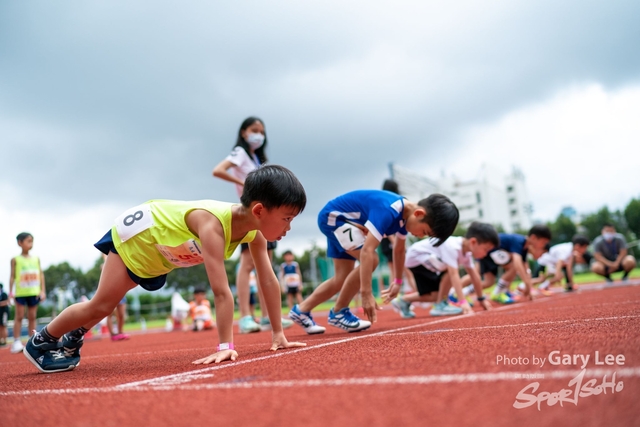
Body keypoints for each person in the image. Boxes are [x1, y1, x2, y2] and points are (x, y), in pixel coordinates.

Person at [23, 165, 307, 373]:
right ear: (259, 211)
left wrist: (278, 334)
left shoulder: (253, 232)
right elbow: (221, 292)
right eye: (286, 218)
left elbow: (268, 281)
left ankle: (74, 335)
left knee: (105, 306)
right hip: (138, 239)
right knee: (101, 305)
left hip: (160, 254)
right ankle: (41, 341)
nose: (288, 227)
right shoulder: (212, 227)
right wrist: (225, 347)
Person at [289, 190, 459, 334]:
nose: (421, 236)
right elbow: (367, 251)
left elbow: (399, 250)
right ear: (419, 214)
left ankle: (301, 310)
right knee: (372, 259)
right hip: (335, 219)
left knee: (341, 278)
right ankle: (339, 312)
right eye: (425, 232)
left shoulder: (405, 218)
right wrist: (366, 293)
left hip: (341, 220)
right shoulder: (389, 210)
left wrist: (398, 282)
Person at [212, 117, 292, 333]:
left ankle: (267, 317)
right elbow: (218, 170)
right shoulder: (239, 152)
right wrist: (244, 184)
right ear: (244, 132)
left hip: (266, 214)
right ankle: (246, 316)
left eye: (262, 131)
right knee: (247, 264)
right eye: (254, 130)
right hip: (250, 214)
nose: (259, 134)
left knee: (265, 266)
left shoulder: (258, 157)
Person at [387, 222, 498, 318]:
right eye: (486, 249)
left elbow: (475, 277)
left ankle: (404, 300)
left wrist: (481, 298)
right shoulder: (452, 247)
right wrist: (462, 302)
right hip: (417, 258)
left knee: (435, 295)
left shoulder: (467, 254)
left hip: (426, 259)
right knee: (450, 272)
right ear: (473, 242)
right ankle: (441, 304)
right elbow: (454, 275)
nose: (486, 254)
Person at [459, 225, 551, 304]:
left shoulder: (524, 248)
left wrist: (529, 286)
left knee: (488, 282)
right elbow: (518, 263)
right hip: (487, 251)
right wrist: (527, 284)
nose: (543, 246)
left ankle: (462, 292)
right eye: (543, 242)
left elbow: (525, 266)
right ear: (534, 238)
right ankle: (498, 292)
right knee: (514, 266)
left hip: (491, 253)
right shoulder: (519, 241)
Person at [9, 232, 46, 354]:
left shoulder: (36, 258)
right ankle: (16, 341)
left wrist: (42, 290)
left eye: (32, 241)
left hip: (34, 292)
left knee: (32, 317)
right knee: (19, 316)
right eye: (28, 241)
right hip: (20, 292)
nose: (31, 244)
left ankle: (32, 341)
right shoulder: (15, 259)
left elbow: (41, 274)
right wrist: (10, 292)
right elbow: (12, 276)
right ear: (20, 243)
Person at [379, 179, 417, 293]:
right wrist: (396, 243)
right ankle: (417, 294)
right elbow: (387, 226)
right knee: (405, 270)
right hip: (391, 239)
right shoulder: (394, 202)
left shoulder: (384, 201)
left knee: (395, 270)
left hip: (386, 240)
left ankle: (396, 296)